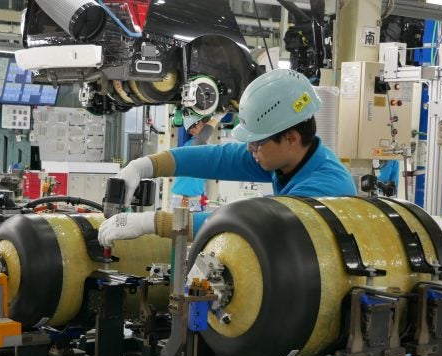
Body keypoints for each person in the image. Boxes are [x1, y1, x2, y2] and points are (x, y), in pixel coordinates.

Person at [98, 68, 356, 247]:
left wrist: (152, 222)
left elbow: (252, 222)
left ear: (290, 138)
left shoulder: (325, 188)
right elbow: (215, 158)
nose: (251, 150)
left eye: (256, 143)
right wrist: (144, 166)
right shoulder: (287, 160)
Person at [169, 112, 216, 212]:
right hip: (183, 200)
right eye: (189, 129)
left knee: (195, 227)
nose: (191, 131)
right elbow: (204, 135)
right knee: (180, 227)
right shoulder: (192, 145)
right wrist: (217, 117)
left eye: (192, 127)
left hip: (194, 199)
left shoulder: (205, 147)